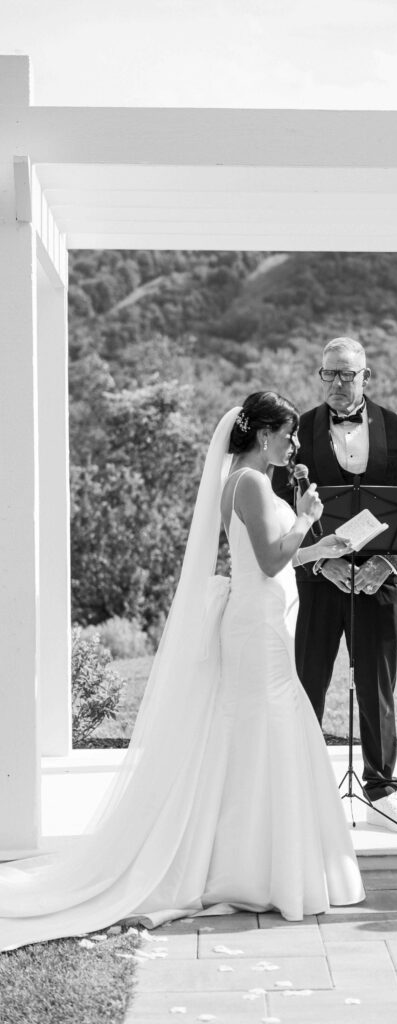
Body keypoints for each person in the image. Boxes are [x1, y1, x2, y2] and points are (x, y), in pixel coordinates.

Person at [0, 392, 364, 951]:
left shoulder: (247, 483)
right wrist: (311, 520)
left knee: (259, 733)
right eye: (288, 434)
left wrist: (321, 547)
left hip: (261, 620)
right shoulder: (249, 484)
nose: (293, 444)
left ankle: (259, 862)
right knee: (268, 728)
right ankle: (262, 869)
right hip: (257, 628)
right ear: (264, 434)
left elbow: (272, 557)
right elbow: (268, 561)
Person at [273, 338, 397, 834]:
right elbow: (283, 510)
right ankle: (302, 792)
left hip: (379, 583)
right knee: (308, 681)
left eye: (347, 375)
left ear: (367, 375)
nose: (337, 384)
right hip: (319, 581)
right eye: (329, 374)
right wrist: (320, 565)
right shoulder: (300, 432)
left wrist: (386, 562)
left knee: (378, 686)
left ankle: (380, 793)